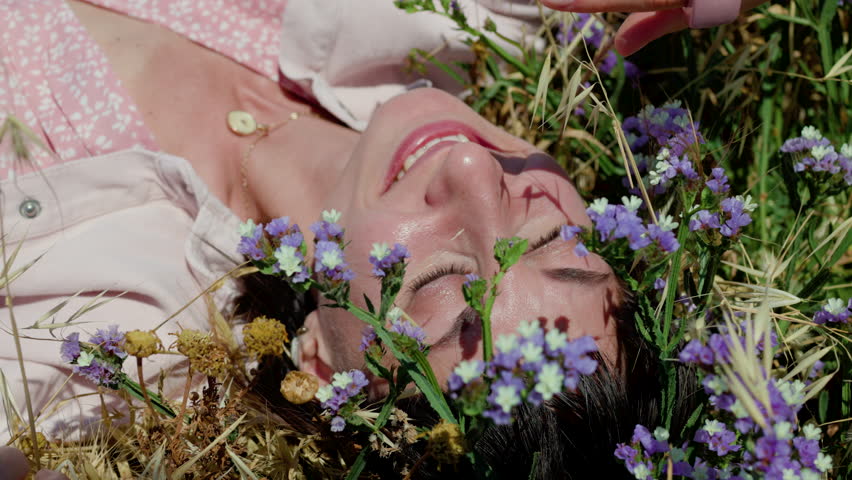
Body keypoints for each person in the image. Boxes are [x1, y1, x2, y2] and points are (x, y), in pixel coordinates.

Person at [0, 0, 765, 478]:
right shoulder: (483, 23)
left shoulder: (97, 333)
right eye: (558, 238)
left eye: (434, 280)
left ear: (324, 368)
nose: (470, 166)